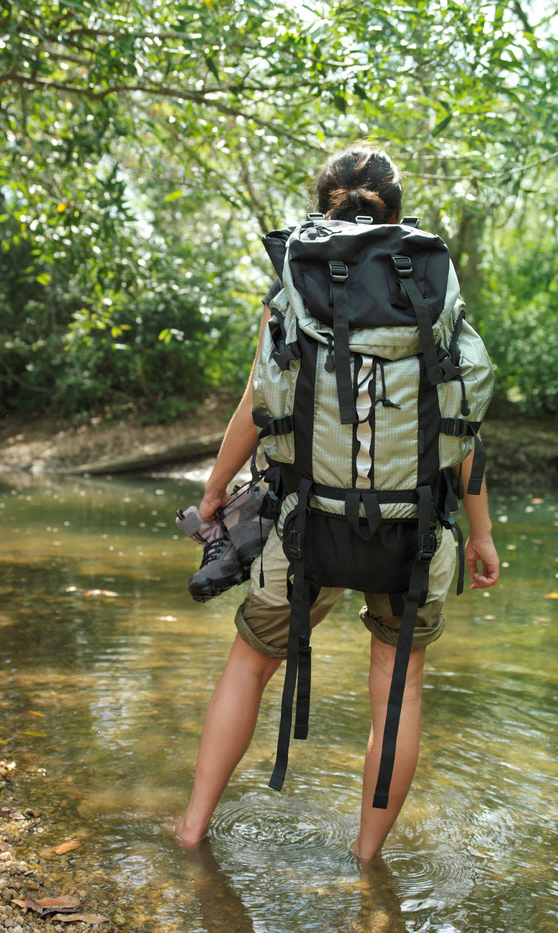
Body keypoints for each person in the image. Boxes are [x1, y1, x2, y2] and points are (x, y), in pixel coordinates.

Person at [174, 146, 500, 862]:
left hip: (303, 521)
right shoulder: (433, 283)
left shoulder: (298, 278)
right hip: (412, 528)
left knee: (250, 662)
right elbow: (460, 420)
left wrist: (214, 486)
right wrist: (480, 531)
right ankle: (366, 861)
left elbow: (255, 406)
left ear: (324, 205)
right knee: (397, 689)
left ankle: (192, 828)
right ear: (396, 206)